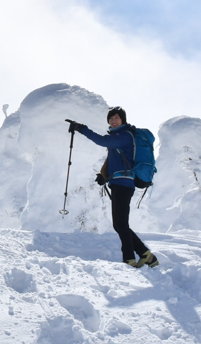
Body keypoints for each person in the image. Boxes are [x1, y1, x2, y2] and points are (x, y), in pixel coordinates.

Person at [68, 107, 159, 268]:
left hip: (124, 184)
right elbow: (117, 160)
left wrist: (81, 128)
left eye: (117, 118)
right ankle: (147, 256)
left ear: (123, 120)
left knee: (120, 224)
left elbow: (101, 140)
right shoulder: (119, 137)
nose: (113, 121)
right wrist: (104, 176)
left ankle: (129, 259)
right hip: (119, 183)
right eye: (111, 118)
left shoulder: (125, 136)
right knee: (120, 224)